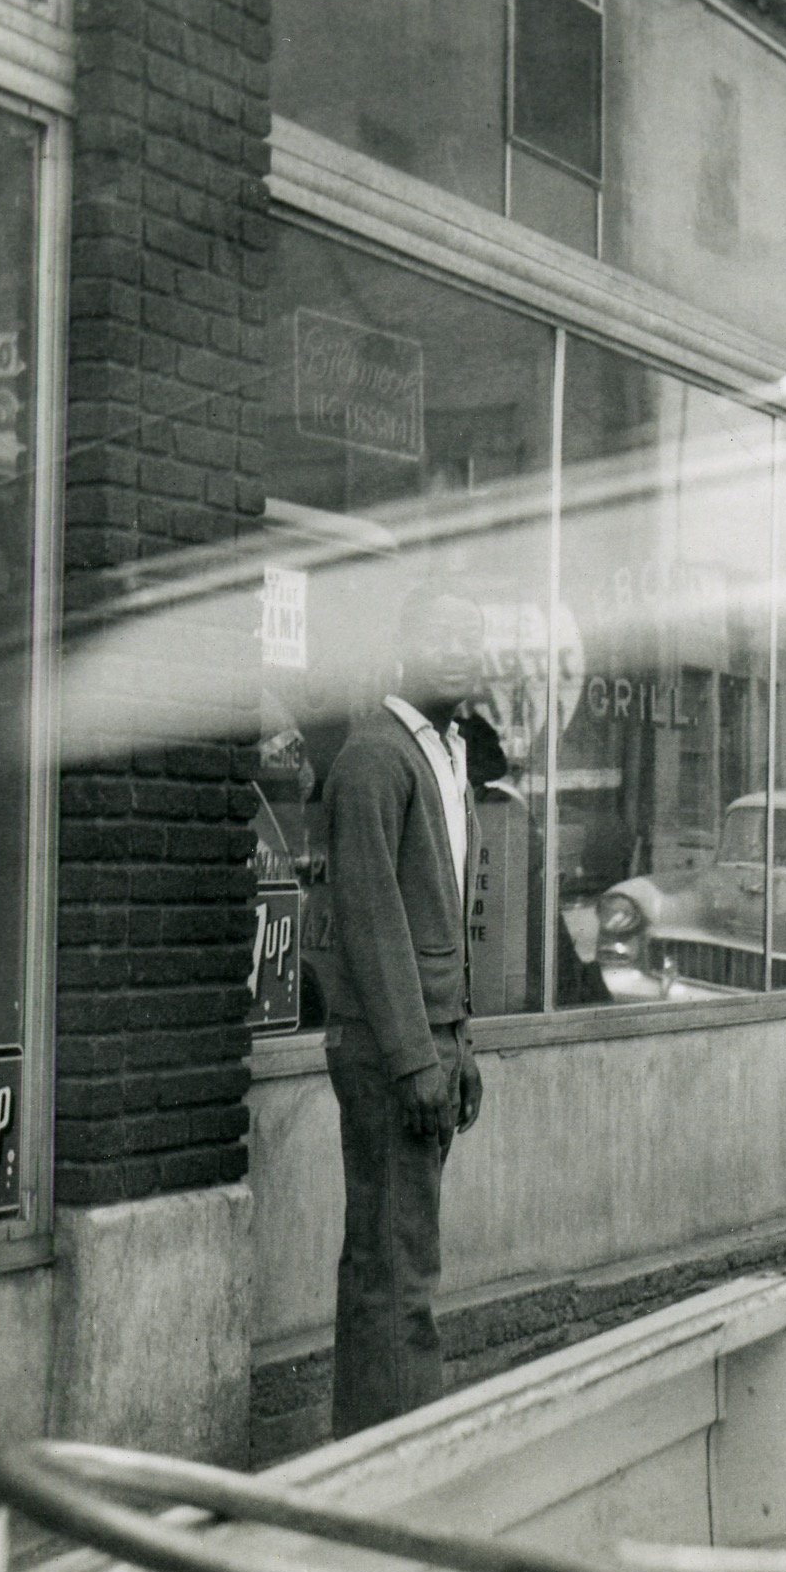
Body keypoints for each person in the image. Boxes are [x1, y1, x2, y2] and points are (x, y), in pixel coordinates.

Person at [320, 587, 487, 1436]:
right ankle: (398, 1457)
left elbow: (438, 911)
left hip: (425, 1044)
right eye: (443, 636)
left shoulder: (441, 754)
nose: (463, 653)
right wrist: (419, 1058)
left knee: (392, 1255)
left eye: (474, 639)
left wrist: (460, 1042)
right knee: (397, 1269)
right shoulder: (375, 759)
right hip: (393, 1052)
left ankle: (370, 1450)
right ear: (404, 646)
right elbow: (373, 919)